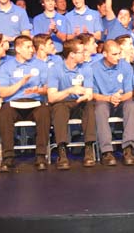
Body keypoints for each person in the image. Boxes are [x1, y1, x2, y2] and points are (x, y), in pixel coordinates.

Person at [0, 35, 51, 171]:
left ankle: (40, 155)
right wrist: (21, 82)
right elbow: (3, 93)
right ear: (18, 49)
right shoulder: (6, 67)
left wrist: (39, 90)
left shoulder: (40, 65)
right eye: (28, 47)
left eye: (32, 47)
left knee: (44, 112)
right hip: (14, 103)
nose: (32, 50)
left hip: (35, 101)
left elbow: (48, 88)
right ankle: (8, 157)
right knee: (4, 113)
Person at [47, 39, 96, 170]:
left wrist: (85, 96)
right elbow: (51, 97)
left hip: (80, 102)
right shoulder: (55, 69)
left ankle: (89, 148)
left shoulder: (86, 68)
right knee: (59, 109)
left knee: (89, 106)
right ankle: (62, 151)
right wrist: (70, 90)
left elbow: (89, 93)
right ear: (72, 54)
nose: (85, 54)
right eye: (82, 52)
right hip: (63, 102)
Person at [91, 40, 134, 166]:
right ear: (105, 54)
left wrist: (118, 99)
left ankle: (128, 148)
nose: (118, 57)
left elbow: (129, 93)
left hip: (122, 100)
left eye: (119, 54)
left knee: (132, 106)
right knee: (100, 109)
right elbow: (93, 94)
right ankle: (106, 151)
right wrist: (109, 98)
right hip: (104, 101)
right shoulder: (94, 68)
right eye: (114, 54)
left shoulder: (125, 66)